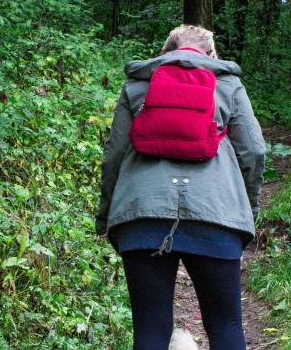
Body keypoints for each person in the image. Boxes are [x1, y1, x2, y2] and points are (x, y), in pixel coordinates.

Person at [95, 24, 266, 350]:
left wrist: (105, 217)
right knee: (226, 325)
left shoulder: (137, 85)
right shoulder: (228, 84)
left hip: (141, 216)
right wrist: (249, 208)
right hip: (217, 217)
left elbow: (114, 154)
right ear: (212, 55)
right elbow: (254, 150)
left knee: (151, 330)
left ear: (166, 51)